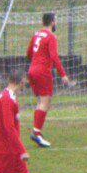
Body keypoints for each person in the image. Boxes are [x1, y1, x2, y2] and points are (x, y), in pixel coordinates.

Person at [26, 12, 72, 148]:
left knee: (40, 101)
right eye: (55, 20)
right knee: (45, 102)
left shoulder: (36, 34)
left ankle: (37, 131)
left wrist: (36, 61)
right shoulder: (51, 36)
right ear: (52, 22)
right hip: (42, 72)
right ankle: (36, 133)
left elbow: (29, 53)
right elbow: (54, 57)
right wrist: (63, 74)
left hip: (32, 70)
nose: (56, 23)